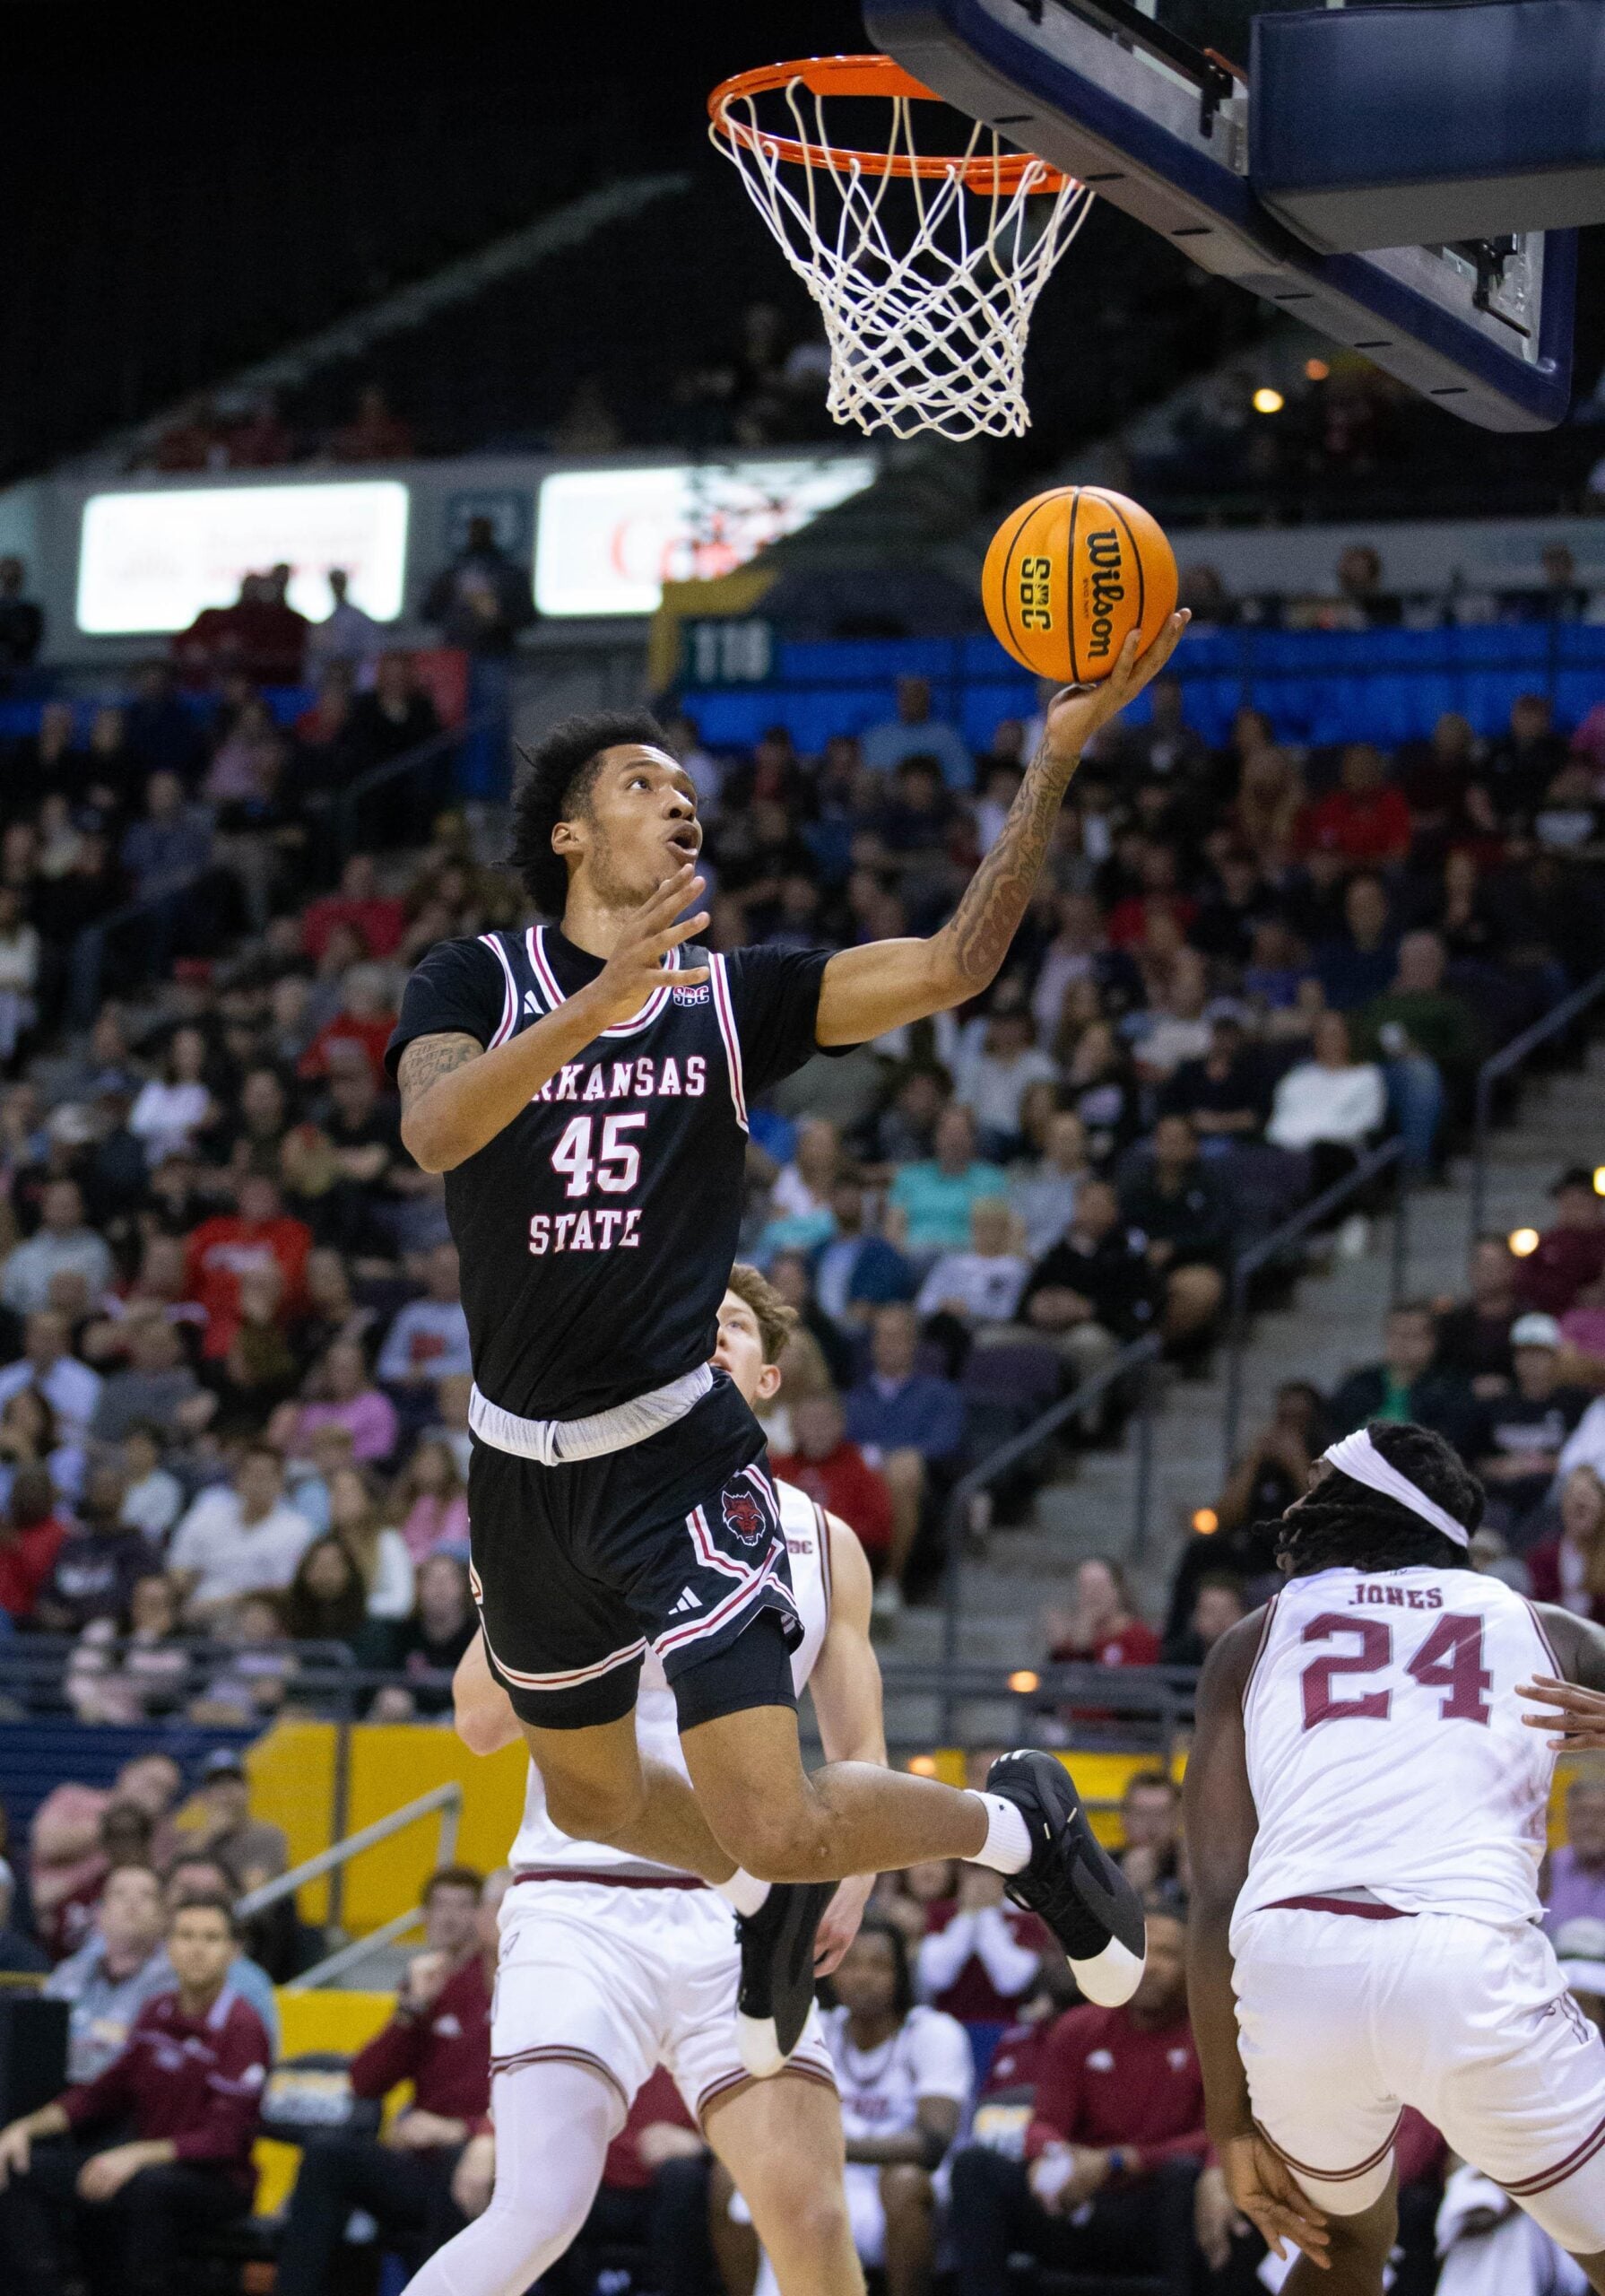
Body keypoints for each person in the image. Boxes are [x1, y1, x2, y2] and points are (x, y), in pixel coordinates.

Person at [385, 663, 1180, 2053]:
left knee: (782, 1808)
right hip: (518, 1468)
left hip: (675, 1459)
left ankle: (1018, 1827)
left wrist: (1048, 765)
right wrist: (589, 1009)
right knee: (589, 1799)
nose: (681, 806)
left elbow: (951, 965)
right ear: (569, 832)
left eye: (690, 794)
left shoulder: (732, 1004)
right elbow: (435, 1130)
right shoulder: (476, 976)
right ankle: (758, 1895)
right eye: (644, 785)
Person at [408, 1265, 887, 2296]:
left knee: (809, 2216)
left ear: (765, 1377)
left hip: (743, 1914)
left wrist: (852, 1879)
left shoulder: (824, 1542)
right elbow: (480, 1721)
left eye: (729, 1328)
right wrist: (573, 1574)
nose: (708, 1339)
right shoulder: (569, 1507)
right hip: (582, 1899)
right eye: (689, 1324)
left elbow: (858, 1751)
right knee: (537, 2211)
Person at [1184, 1417, 1605, 2292]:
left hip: (1293, 1968)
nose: (1296, 1506)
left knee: (1344, 2240)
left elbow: (1215, 1903)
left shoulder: (1247, 1642)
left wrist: (1228, 2124)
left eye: (1318, 1488)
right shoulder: (1545, 1628)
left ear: (1359, 1508)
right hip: (1463, 1963)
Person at [0, 1895, 269, 2296]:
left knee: (146, 2187)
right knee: (21, 2168)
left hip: (217, 2181)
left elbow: (224, 2139)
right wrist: (23, 2128)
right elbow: (104, 2092)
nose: (197, 1948)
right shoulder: (157, 2009)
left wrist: (136, 2154)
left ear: (233, 1952)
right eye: (186, 1935)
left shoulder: (242, 2026)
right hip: (144, 2168)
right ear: (168, 1946)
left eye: (211, 1938)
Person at [950, 1907, 1206, 2296]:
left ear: (1192, 1964)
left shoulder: (1210, 2037)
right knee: (974, 2168)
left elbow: (1215, 2138)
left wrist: (1117, 2160)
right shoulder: (1078, 2027)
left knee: (1185, 2177)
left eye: (1167, 1953)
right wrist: (1049, 2155)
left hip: (1151, 2207)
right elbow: (1045, 2121)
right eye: (1140, 1951)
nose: (1149, 1965)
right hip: (1077, 2197)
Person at [273, 1865, 490, 2292]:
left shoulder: (506, 1984)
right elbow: (365, 2081)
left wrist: (459, 2130)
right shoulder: (423, 1984)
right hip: (421, 2162)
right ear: (424, 1916)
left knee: (454, 2163)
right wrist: (408, 2011)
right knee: (327, 2155)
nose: (450, 1918)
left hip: (483, 2158)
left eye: (464, 1906)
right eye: (439, 1906)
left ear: (486, 1917)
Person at [806, 1918, 971, 2296]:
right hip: (833, 2178)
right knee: (731, 2181)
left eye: (878, 1964)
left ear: (901, 1973)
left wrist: (829, 2148)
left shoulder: (932, 2031)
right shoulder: (816, 2028)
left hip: (919, 2192)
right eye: (850, 1963)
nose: (863, 1976)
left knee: (903, 2180)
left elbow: (931, 2144)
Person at [45, 1864, 171, 2081]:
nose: (132, 1903)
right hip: (55, 2091)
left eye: (146, 1895)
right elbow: (38, 2043)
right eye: (119, 1894)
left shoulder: (175, 1984)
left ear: (164, 1917)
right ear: (100, 1913)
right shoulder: (68, 1973)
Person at [166, 1442, 314, 1622]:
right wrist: (183, 1584)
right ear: (238, 1479)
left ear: (279, 1482)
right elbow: (178, 1566)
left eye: (265, 1476)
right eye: (251, 1474)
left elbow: (286, 1589)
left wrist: (229, 1603)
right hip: (199, 1614)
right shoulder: (207, 1514)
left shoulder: (297, 1530)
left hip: (260, 1619)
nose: (257, 1484)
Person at [1471, 1312, 1589, 1532]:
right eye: (1524, 1354)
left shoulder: (1576, 1403)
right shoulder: (1496, 1403)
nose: (1532, 1362)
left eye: (1540, 1354)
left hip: (1551, 1501)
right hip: (1499, 1500)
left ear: (1556, 1357)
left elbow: (1586, 1458)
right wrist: (1500, 1467)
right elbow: (1473, 1457)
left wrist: (1538, 1465)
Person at [1328, 1300, 1478, 1455]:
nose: (1401, 1342)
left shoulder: (1451, 1389)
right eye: (1394, 1333)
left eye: (1412, 1335)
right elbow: (1332, 1430)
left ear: (1432, 1341)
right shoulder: (1361, 1383)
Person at [1, 1177, 113, 1316]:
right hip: (28, 1325)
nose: (62, 1211)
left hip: (81, 1325)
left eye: (68, 1205)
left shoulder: (96, 1249)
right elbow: (9, 1300)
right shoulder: (24, 1252)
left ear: (81, 1208)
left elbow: (101, 1298)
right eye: (57, 1204)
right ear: (44, 1208)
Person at [1546, 1777, 1605, 1935]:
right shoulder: (1546, 1871)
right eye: (1581, 1814)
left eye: (1601, 1815)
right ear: (1568, 1818)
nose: (1590, 1824)